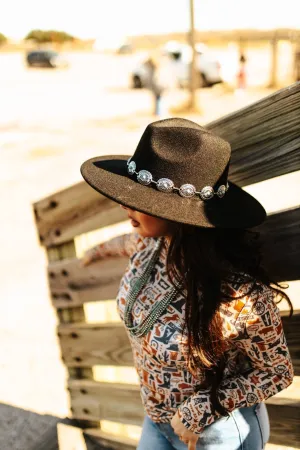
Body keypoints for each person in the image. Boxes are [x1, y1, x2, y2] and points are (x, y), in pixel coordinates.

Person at [80, 118, 294, 450]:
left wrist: (202, 409)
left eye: (141, 200)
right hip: (157, 419)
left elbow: (278, 371)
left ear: (178, 214)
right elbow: (126, 241)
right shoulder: (150, 245)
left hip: (216, 432)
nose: (124, 206)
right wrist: (95, 251)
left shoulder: (237, 294)